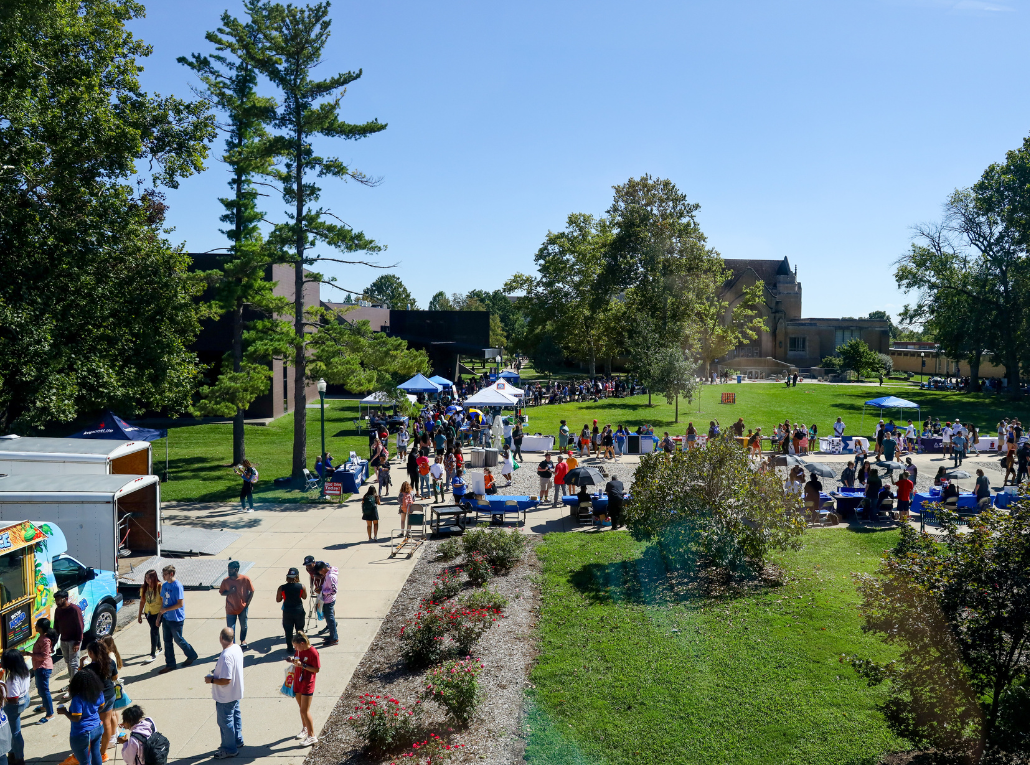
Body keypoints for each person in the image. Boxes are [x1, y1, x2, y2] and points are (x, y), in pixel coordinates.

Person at [205, 627, 244, 759]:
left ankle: (229, 748)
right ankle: (237, 740)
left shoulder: (226, 655)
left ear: (221, 638)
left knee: (225, 722)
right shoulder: (237, 648)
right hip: (235, 692)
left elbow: (226, 680)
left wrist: (211, 680)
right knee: (235, 716)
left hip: (225, 697)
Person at [57, 669, 104, 765]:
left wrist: (65, 712)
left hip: (82, 733)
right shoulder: (98, 692)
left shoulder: (78, 698)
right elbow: (101, 707)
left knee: (85, 761)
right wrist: (91, 713)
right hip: (98, 727)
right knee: (96, 754)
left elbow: (77, 718)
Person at [157, 565, 198, 674]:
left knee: (178, 639)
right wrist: (159, 616)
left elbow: (180, 604)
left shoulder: (177, 586)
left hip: (176, 619)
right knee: (167, 642)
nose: (163, 576)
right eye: (163, 574)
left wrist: (166, 609)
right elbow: (163, 601)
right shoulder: (164, 585)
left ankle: (191, 655)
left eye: (165, 574)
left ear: (171, 574)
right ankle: (170, 664)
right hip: (166, 618)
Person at [83, 639, 118, 757]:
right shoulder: (110, 662)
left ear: (91, 653)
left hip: (97, 699)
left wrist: (81, 665)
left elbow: (80, 680)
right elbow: (115, 677)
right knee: (107, 722)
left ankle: (96, 749)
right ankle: (103, 751)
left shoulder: (89, 669)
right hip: (110, 694)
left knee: (95, 724)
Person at [287, 632, 320, 746]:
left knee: (304, 710)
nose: (295, 649)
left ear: (302, 643)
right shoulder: (299, 650)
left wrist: (303, 665)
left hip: (307, 683)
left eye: (296, 646)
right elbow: (298, 661)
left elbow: (316, 669)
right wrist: (292, 661)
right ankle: (305, 728)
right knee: (301, 708)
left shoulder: (313, 652)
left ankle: (312, 736)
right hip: (298, 680)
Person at [2, 648, 31, 765]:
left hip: (15, 705)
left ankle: (19, 758)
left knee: (15, 732)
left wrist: (3, 699)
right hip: (25, 699)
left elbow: (13, 699)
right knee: (14, 730)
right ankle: (13, 753)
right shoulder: (24, 670)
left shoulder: (12, 679)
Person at [218, 561, 255, 650]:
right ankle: (232, 645)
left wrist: (247, 603)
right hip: (230, 608)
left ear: (237, 569)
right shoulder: (226, 581)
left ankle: (243, 640)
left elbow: (252, 591)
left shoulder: (245, 579)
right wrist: (230, 592)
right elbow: (221, 592)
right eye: (228, 569)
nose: (229, 571)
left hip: (242, 607)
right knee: (230, 629)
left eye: (231, 569)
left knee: (244, 625)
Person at [54, 590, 84, 690]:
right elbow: (56, 627)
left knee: (74, 664)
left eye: (59, 600)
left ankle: (74, 687)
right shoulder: (58, 610)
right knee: (68, 662)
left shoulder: (75, 610)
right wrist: (53, 642)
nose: (57, 602)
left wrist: (77, 642)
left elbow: (80, 627)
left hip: (74, 641)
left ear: (66, 599)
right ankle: (72, 682)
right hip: (64, 640)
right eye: (56, 600)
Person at [29, 617, 57, 723]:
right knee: (40, 688)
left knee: (45, 691)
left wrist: (29, 654)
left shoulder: (45, 640)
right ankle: (45, 706)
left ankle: (50, 714)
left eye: (36, 625)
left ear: (40, 628)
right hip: (38, 667)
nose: (35, 627)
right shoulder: (41, 637)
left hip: (43, 668)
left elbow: (44, 656)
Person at [276, 567, 308, 650]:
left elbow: (278, 600)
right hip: (299, 611)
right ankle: (301, 647)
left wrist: (284, 596)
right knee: (300, 630)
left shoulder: (282, 588)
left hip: (287, 611)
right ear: (297, 576)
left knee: (288, 631)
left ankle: (290, 648)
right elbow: (304, 597)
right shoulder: (302, 586)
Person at [136, 569, 163, 664]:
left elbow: (163, 601)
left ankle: (152, 654)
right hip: (148, 613)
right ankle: (159, 648)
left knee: (153, 631)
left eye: (150, 578)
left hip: (157, 613)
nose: (148, 580)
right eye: (146, 578)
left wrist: (160, 615)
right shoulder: (144, 588)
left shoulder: (160, 586)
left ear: (154, 578)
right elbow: (142, 601)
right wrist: (139, 615)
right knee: (154, 629)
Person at [317, 562, 339, 647]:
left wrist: (322, 592)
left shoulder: (330, 576)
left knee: (330, 620)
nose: (320, 574)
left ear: (323, 569)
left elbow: (333, 591)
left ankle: (334, 639)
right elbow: (328, 587)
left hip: (329, 601)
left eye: (320, 572)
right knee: (329, 619)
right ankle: (332, 636)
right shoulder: (328, 573)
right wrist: (322, 587)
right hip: (326, 600)